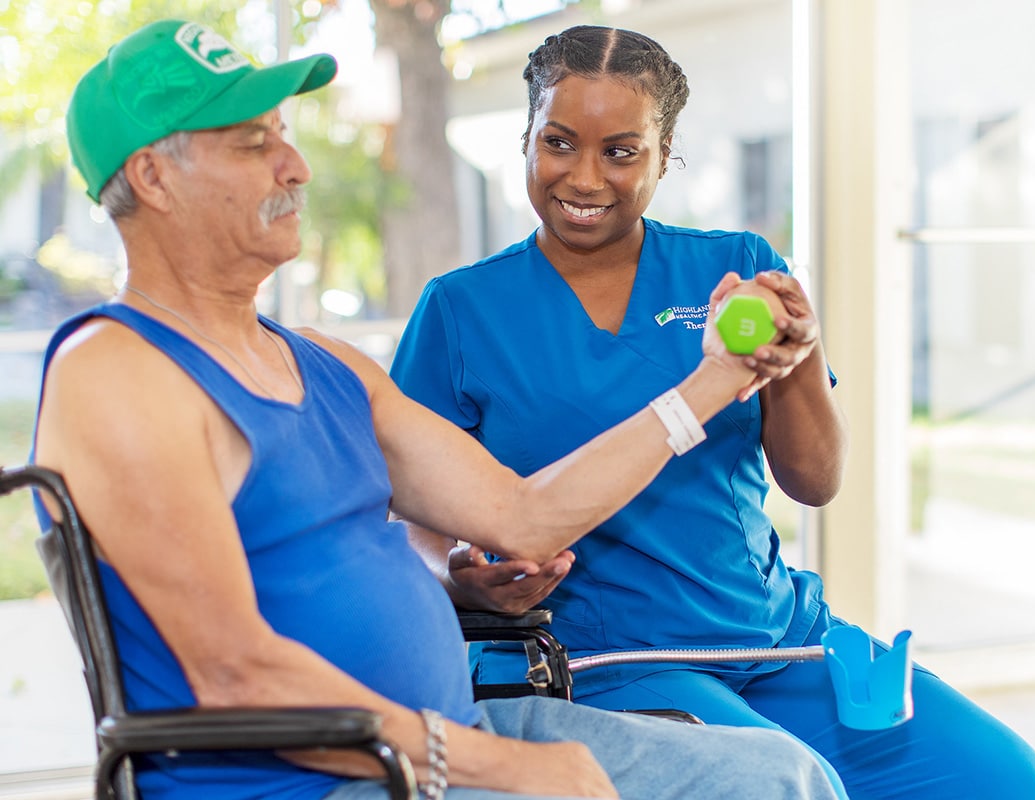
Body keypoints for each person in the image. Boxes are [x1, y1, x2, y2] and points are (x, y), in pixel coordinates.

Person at [31, 19, 847, 800]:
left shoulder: (321, 363)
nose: (296, 166)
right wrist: (501, 765)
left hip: (439, 731)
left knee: (783, 776)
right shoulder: (118, 372)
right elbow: (234, 675)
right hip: (328, 777)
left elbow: (522, 517)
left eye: (285, 133)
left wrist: (715, 381)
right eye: (255, 144)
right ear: (152, 177)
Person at [390, 24, 1035, 800]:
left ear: (665, 154)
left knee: (1005, 780)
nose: (584, 177)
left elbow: (814, 481)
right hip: (615, 661)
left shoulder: (735, 272)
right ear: (528, 138)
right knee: (794, 788)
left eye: (621, 151)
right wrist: (462, 584)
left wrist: (796, 356)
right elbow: (410, 516)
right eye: (560, 142)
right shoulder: (463, 310)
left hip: (779, 639)